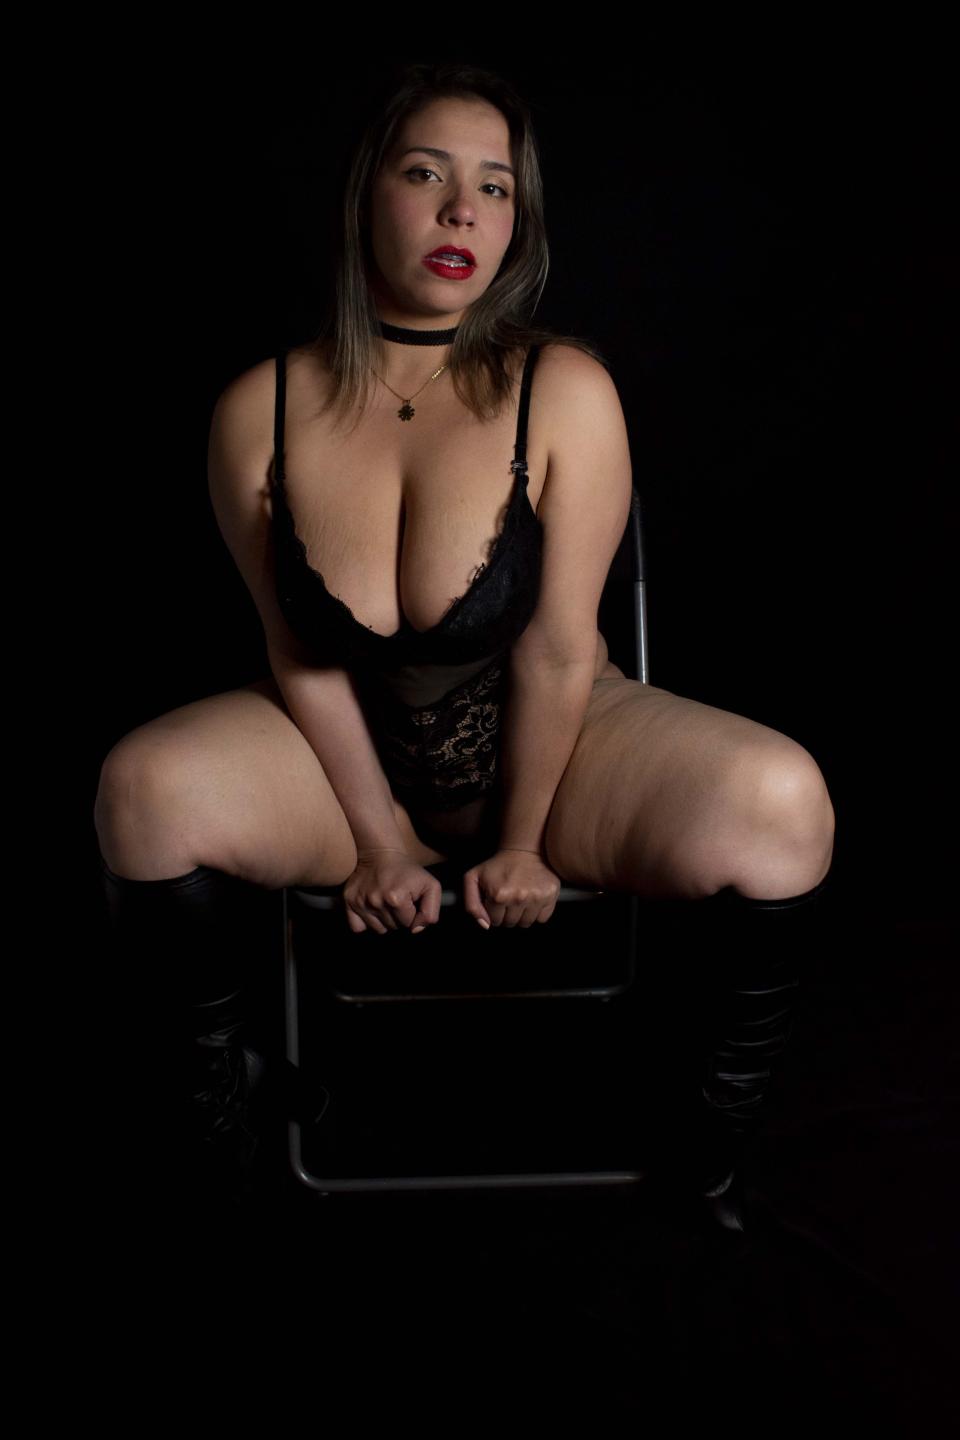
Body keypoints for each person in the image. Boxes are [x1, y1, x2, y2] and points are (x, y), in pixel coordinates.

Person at [95, 62, 835, 1232]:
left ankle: (709, 1138)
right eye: (426, 173)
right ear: (366, 196)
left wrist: (526, 842)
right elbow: (299, 654)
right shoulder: (258, 410)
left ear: (517, 222)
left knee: (784, 800)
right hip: (347, 759)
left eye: (494, 187)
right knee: (140, 788)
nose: (461, 211)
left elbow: (556, 652)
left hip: (560, 742)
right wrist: (380, 840)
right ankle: (221, 1123)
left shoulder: (563, 388)